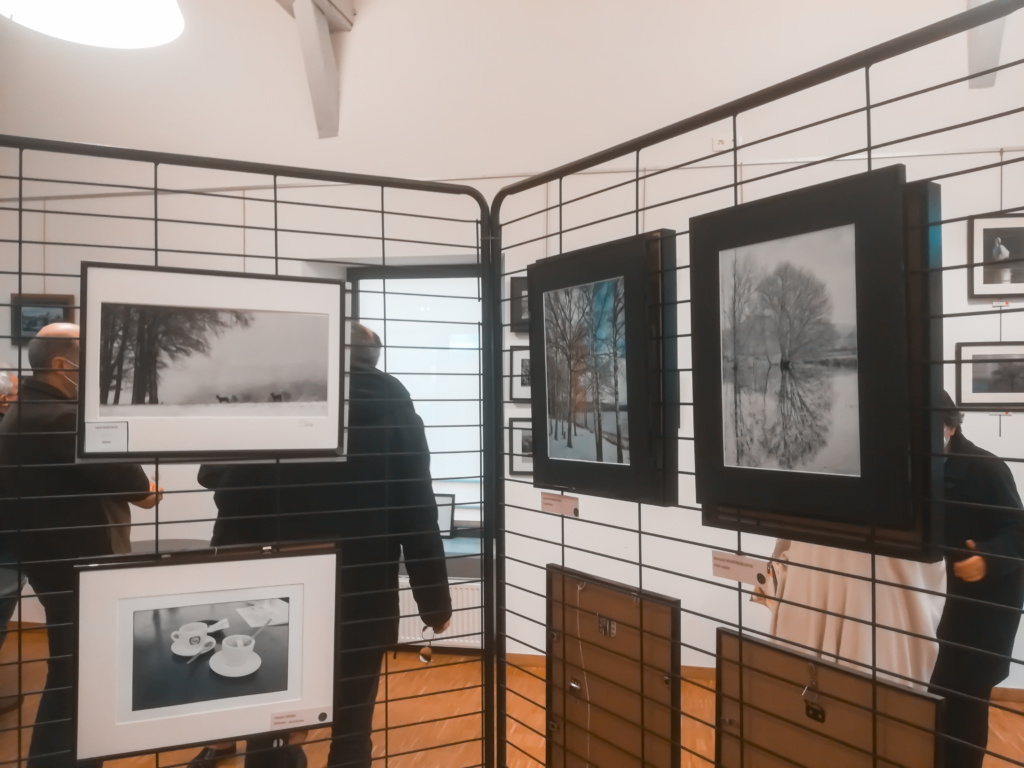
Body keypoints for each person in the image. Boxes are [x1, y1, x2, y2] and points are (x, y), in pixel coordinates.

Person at [194, 323, 452, 768]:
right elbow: (417, 510)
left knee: (273, 714)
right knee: (353, 723)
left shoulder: (276, 395)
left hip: (276, 587)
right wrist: (434, 603)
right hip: (361, 587)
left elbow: (219, 482)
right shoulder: (394, 403)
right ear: (373, 359)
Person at [0, 324, 162, 768]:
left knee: (72, 673)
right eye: (88, 357)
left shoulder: (23, 409)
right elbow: (141, 490)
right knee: (81, 679)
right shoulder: (69, 419)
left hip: (49, 563)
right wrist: (149, 487)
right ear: (61, 364)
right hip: (82, 567)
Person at [929, 392, 1024, 768]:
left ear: (950, 427)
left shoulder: (987, 469)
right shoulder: (912, 469)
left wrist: (986, 558)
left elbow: (1019, 532)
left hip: (977, 619)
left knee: (963, 721)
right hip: (932, 610)